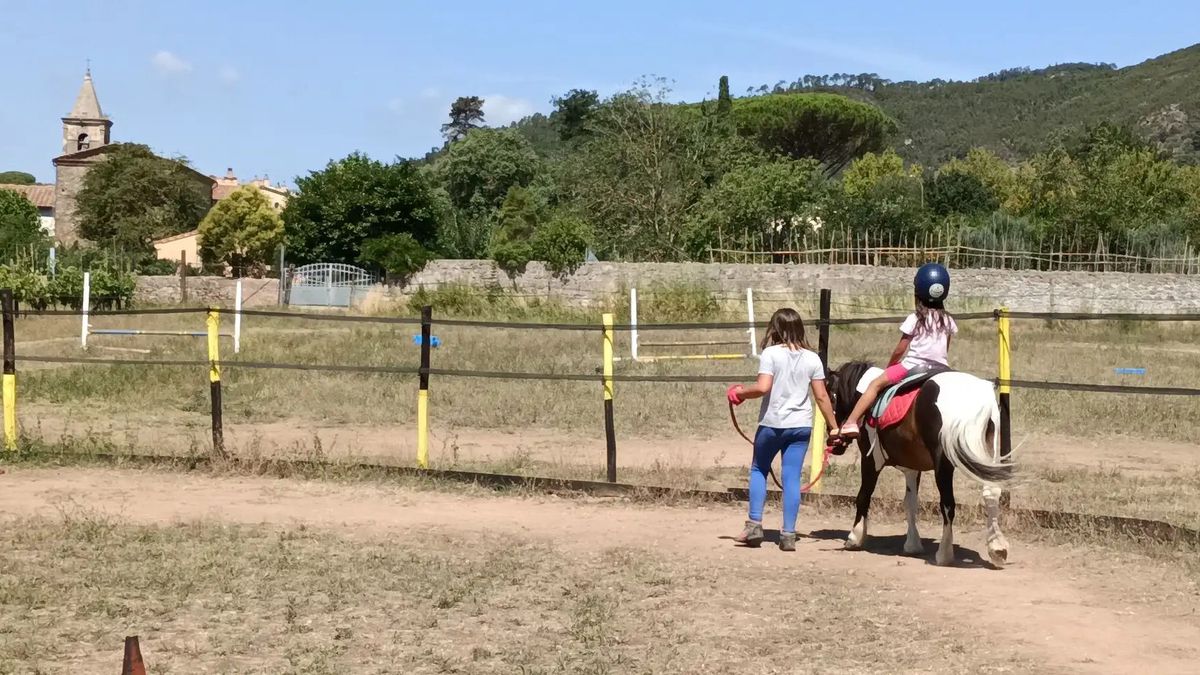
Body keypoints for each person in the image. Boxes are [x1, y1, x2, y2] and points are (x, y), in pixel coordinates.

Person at [726, 307, 838, 551]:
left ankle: (754, 526)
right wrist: (835, 427)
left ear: (775, 329)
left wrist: (740, 393)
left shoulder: (771, 354)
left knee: (758, 469)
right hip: (800, 427)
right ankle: (788, 534)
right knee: (791, 478)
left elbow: (763, 387)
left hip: (772, 424)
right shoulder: (812, 358)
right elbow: (821, 396)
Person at [836, 262, 957, 440]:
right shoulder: (947, 320)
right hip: (941, 368)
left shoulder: (915, 318)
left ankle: (851, 422)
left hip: (913, 367)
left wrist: (891, 365)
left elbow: (901, 348)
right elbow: (945, 347)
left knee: (875, 385)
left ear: (918, 291)